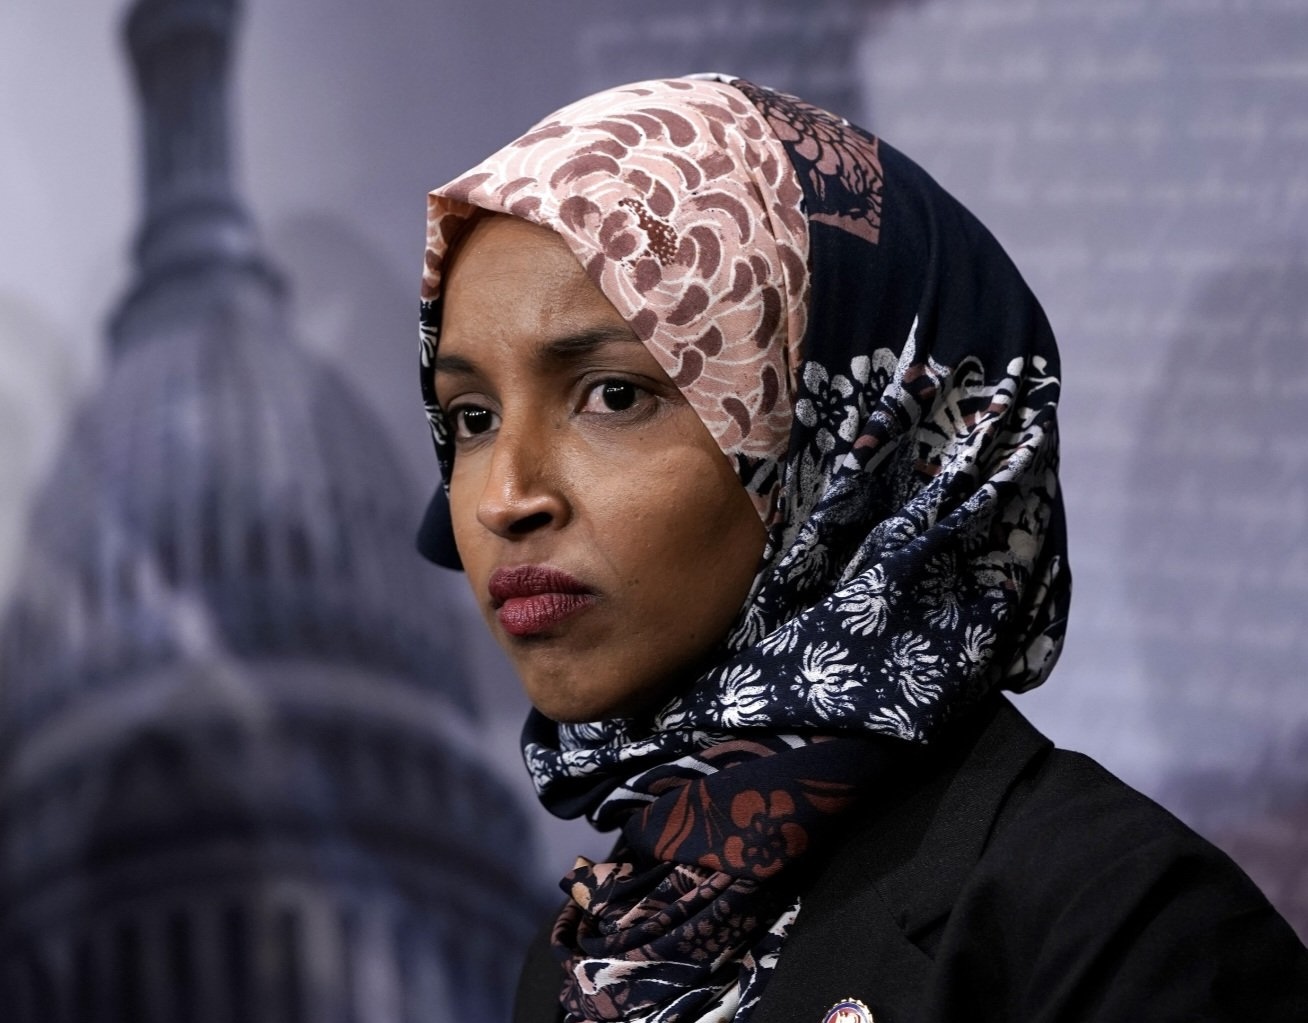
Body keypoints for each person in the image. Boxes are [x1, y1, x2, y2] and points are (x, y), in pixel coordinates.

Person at [414, 75, 1308, 1023]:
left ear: (844, 431)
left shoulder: (1122, 930)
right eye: (472, 417)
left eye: (615, 394)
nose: (505, 497)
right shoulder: (591, 954)